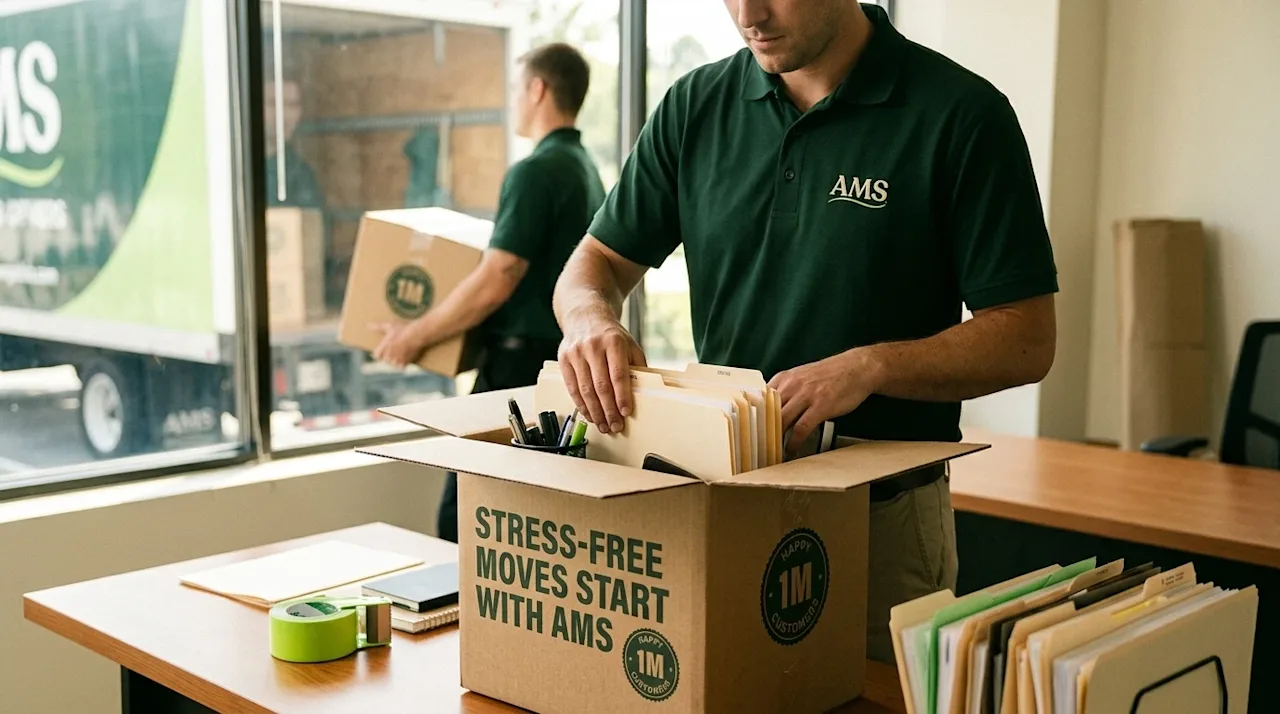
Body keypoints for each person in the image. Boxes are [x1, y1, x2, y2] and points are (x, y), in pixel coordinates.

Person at [551, 1, 1058, 663]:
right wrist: (590, 319)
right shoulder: (696, 105)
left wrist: (870, 367)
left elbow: (1027, 336)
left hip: (883, 522)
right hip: (721, 505)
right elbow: (595, 265)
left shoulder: (962, 113)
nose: (748, 14)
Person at [373, 43, 605, 543]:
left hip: (517, 373)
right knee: (530, 518)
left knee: (464, 520)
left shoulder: (534, 171)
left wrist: (415, 334)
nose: (513, 102)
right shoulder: (584, 169)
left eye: (517, 89)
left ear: (538, 89)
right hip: (558, 370)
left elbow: (498, 274)